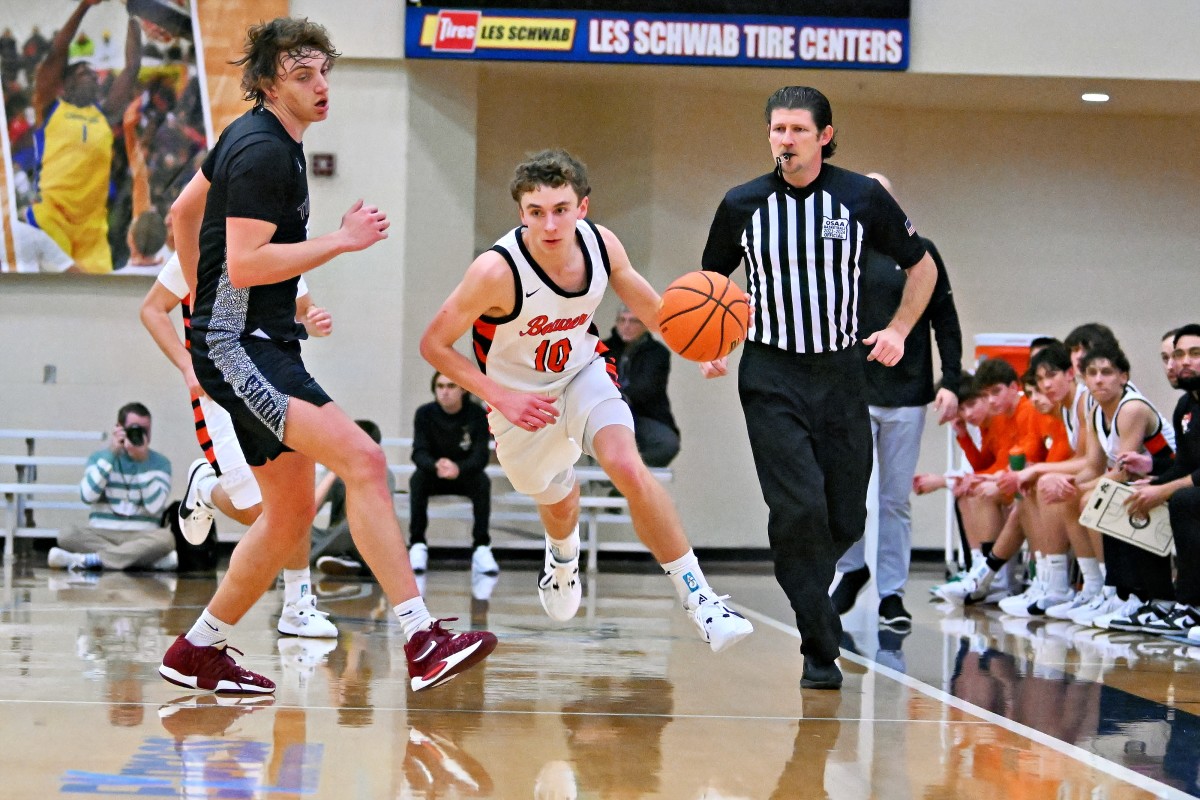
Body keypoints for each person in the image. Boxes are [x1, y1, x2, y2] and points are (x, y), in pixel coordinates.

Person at [158, 17, 495, 695]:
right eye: (302, 75)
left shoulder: (251, 136)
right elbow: (249, 265)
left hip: (251, 339)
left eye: (324, 72)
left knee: (287, 518)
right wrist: (341, 241)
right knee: (363, 459)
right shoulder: (262, 152)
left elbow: (181, 215)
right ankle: (422, 637)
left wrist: (203, 292)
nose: (320, 86)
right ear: (267, 83)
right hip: (242, 345)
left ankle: (197, 649)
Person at [420, 148, 753, 653]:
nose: (549, 223)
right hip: (519, 403)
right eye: (536, 212)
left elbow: (649, 305)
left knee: (625, 462)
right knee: (556, 500)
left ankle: (702, 599)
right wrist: (500, 397)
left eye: (561, 209)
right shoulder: (496, 271)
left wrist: (695, 348)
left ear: (583, 207)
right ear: (521, 214)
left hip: (582, 371)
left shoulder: (602, 246)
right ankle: (562, 555)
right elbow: (433, 345)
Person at [699, 86, 936, 689]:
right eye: (778, 129)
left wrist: (901, 330)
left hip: (840, 373)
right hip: (770, 373)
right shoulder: (742, 203)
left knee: (845, 517)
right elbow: (707, 282)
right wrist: (709, 346)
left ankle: (814, 607)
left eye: (799, 130)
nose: (786, 140)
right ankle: (818, 641)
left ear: (825, 136)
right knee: (796, 506)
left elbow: (923, 263)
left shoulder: (862, 196)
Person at [139, 252, 338, 638]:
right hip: (222, 390)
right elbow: (152, 309)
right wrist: (186, 365)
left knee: (295, 502)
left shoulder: (279, 244)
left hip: (278, 380)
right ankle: (206, 490)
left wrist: (314, 318)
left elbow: (301, 308)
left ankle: (298, 606)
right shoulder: (202, 246)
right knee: (261, 513)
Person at [829, 172, 963, 629]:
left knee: (894, 499)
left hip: (907, 392)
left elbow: (945, 318)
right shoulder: (840, 251)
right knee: (847, 490)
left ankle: (891, 594)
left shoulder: (921, 252)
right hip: (852, 389)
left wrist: (954, 380)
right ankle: (850, 569)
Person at [28, 0, 142, 273]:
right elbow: (57, 52)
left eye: (94, 74)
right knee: (60, 294)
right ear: (64, 85)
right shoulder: (50, 106)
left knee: (95, 301)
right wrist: (84, 6)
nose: (92, 77)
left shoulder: (104, 114)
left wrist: (134, 12)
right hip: (52, 217)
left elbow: (133, 66)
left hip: (91, 231)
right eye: (83, 73)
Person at [1123, 325, 1200, 640]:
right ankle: (1158, 599)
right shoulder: (1185, 407)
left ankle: (1193, 605)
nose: (1183, 362)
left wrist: (1166, 489)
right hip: (1194, 486)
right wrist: (1153, 483)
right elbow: (1183, 465)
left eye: (1195, 354)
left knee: (1183, 500)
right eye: (1179, 354)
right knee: (1132, 495)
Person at [49, 402, 176, 572]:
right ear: (119, 428)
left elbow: (154, 506)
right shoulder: (100, 458)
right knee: (67, 534)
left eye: (145, 430)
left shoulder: (160, 463)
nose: (140, 435)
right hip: (102, 532)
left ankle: (87, 560)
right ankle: (145, 561)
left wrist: (142, 462)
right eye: (134, 429)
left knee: (166, 539)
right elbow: (87, 496)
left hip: (141, 535)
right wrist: (111, 454)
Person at [407, 372, 496, 576]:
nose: (444, 392)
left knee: (482, 482)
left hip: (465, 475)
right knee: (417, 480)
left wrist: (459, 468)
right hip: (434, 474)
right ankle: (417, 545)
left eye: (450, 386)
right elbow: (418, 452)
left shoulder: (477, 415)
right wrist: (435, 465)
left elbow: (481, 456)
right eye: (440, 386)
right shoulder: (424, 413)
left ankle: (481, 547)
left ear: (462, 389)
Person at [310, 418, 394, 577]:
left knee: (354, 525)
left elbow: (373, 519)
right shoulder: (337, 471)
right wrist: (333, 472)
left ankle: (309, 561)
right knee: (297, 524)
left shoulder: (383, 475)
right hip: (333, 538)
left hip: (367, 541)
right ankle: (340, 559)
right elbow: (309, 509)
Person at [601, 306, 681, 467]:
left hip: (642, 416)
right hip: (606, 416)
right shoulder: (602, 350)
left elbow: (646, 388)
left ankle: (629, 477)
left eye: (633, 321)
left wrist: (619, 397)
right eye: (622, 320)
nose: (626, 326)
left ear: (644, 324)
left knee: (666, 444)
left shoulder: (657, 353)